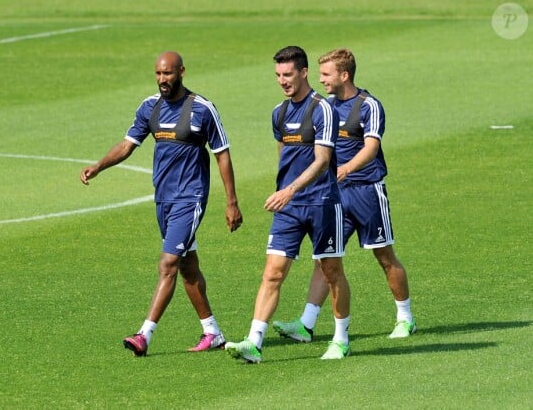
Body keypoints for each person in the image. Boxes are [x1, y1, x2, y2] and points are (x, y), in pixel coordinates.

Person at [80, 51, 243, 356]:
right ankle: (213, 332)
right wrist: (99, 166)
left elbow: (222, 154)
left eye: (167, 74)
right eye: (158, 74)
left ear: (181, 72)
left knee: (167, 263)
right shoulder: (149, 107)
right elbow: (128, 145)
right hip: (164, 199)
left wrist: (231, 202)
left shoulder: (202, 109)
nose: (162, 80)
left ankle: (144, 335)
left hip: (190, 198)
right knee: (187, 267)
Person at [272, 47, 416, 342]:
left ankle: (405, 317)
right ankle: (306, 324)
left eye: (326, 74)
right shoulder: (324, 107)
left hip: (366, 190)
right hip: (335, 195)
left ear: (344, 75)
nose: (321, 79)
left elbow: (371, 148)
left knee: (384, 255)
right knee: (326, 259)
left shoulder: (368, 106)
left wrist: (346, 168)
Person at [224, 46, 351, 363]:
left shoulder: (323, 110)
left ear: (304, 72)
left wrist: (290, 189)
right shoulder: (278, 114)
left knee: (331, 271)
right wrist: (285, 191)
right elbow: (285, 155)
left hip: (322, 203)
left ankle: (341, 338)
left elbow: (322, 161)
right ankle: (254, 342)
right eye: (278, 75)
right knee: (272, 274)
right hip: (289, 208)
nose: (282, 81)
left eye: (288, 74)